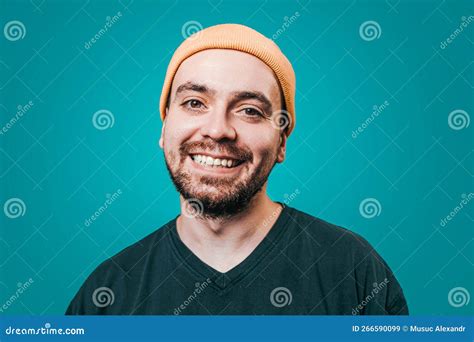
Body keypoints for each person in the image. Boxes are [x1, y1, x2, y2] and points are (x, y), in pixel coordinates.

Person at [66, 23, 408, 315]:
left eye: (249, 111)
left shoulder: (352, 269)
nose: (217, 130)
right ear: (164, 127)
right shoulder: (107, 294)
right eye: (194, 103)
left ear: (282, 143)